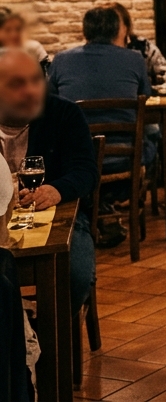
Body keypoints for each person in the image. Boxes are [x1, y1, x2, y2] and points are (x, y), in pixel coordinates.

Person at [0, 49, 100, 321]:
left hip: (57, 217)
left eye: (36, 80)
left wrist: (57, 189)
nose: (31, 90)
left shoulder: (63, 113)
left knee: (76, 275)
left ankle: (46, 337)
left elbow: (86, 170)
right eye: (18, 84)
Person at [49, 7, 156, 168]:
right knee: (154, 136)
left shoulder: (61, 60)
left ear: (85, 31)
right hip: (125, 157)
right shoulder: (134, 58)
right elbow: (145, 95)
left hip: (76, 158)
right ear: (118, 30)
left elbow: (51, 101)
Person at [102, 2, 166, 89]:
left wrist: (151, 90)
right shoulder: (94, 51)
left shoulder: (143, 47)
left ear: (125, 27)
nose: (110, 28)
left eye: (114, 24)